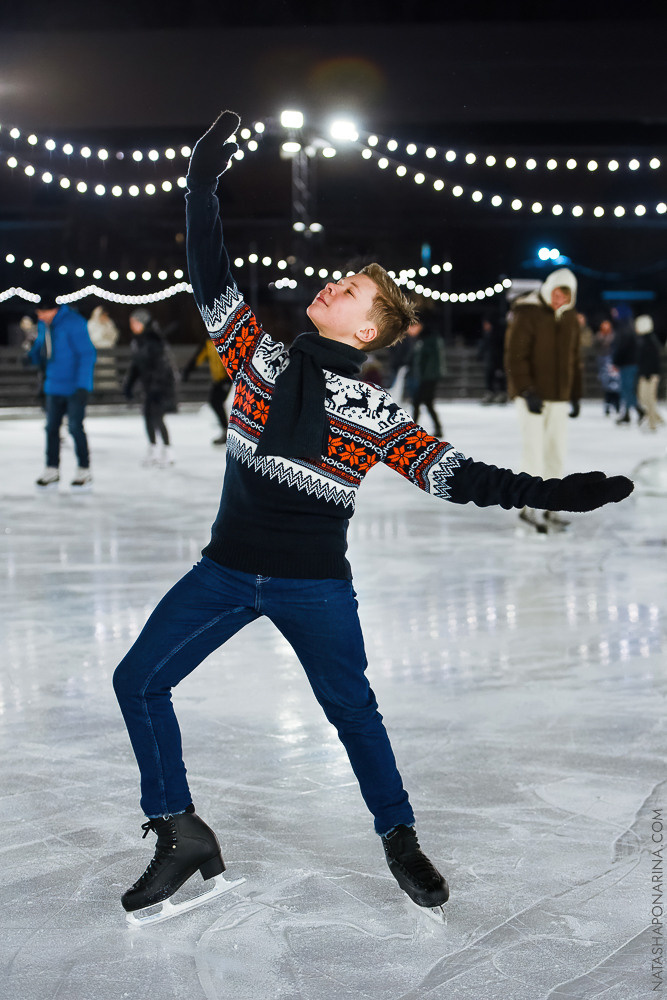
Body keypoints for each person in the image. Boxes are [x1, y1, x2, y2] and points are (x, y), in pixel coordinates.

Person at [112, 112, 633, 926]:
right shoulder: (257, 356)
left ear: (364, 329)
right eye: (340, 276)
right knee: (137, 680)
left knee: (352, 713)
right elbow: (208, 271)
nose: (332, 283)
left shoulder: (370, 410)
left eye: (349, 288)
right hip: (221, 572)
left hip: (311, 587)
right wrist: (200, 184)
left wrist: (558, 492)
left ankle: (398, 838)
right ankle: (179, 828)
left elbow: (458, 475)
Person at [504, 268, 582, 533]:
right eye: (558, 294)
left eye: (566, 297)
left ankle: (552, 506)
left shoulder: (570, 318)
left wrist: (575, 394)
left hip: (558, 396)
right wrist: (526, 390)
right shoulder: (528, 312)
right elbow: (515, 355)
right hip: (532, 397)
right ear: (549, 289)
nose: (559, 300)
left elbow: (573, 358)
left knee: (555, 452)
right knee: (534, 452)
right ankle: (529, 507)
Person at [25, 289, 96, 490]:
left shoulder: (74, 323)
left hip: (74, 386)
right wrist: (31, 357)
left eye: (42, 312)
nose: (39, 316)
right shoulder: (44, 326)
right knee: (51, 429)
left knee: (75, 427)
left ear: (53, 310)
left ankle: (84, 469)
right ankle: (52, 469)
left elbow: (87, 354)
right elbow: (41, 348)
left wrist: (82, 385)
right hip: (53, 385)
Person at [123, 307, 178, 466]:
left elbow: (162, 366)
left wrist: (157, 385)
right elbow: (136, 366)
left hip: (160, 387)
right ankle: (153, 449)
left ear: (143, 322)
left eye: (135, 322)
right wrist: (129, 385)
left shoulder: (154, 340)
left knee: (158, 418)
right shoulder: (137, 341)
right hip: (148, 387)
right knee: (147, 417)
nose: (132, 325)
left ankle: (168, 451)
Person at [181, 336, 232, 444]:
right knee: (215, 402)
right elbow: (198, 357)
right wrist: (188, 371)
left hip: (228, 378)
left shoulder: (227, 339)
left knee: (219, 402)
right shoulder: (209, 342)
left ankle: (230, 432)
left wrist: (230, 377)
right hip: (218, 380)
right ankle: (226, 431)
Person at [410, 317, 446, 436]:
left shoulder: (429, 340)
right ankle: (436, 428)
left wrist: (425, 376)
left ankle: (412, 429)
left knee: (418, 402)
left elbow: (430, 360)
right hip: (427, 376)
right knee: (427, 403)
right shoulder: (424, 339)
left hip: (429, 377)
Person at [611, 305, 644, 426]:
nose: (613, 315)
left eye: (615, 312)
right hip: (630, 363)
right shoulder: (629, 326)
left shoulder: (624, 327)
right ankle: (627, 415)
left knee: (627, 390)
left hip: (627, 364)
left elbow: (621, 347)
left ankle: (640, 411)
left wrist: (615, 362)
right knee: (626, 389)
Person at [635, 314, 664, 431]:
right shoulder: (645, 340)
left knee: (649, 399)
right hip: (646, 374)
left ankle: (652, 423)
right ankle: (658, 419)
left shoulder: (650, 341)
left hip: (650, 375)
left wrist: (649, 375)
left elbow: (652, 360)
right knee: (644, 399)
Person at [477, 316, 507, 405]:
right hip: (490, 360)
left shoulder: (497, 334)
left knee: (500, 377)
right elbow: (484, 346)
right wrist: (480, 355)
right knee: (489, 376)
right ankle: (490, 393)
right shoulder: (488, 334)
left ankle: (502, 394)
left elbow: (501, 348)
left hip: (498, 360)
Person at [595, 319, 621, 416]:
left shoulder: (614, 336)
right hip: (603, 362)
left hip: (613, 362)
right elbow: (596, 347)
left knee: (616, 385)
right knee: (607, 386)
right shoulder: (598, 336)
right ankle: (607, 406)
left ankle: (617, 405)